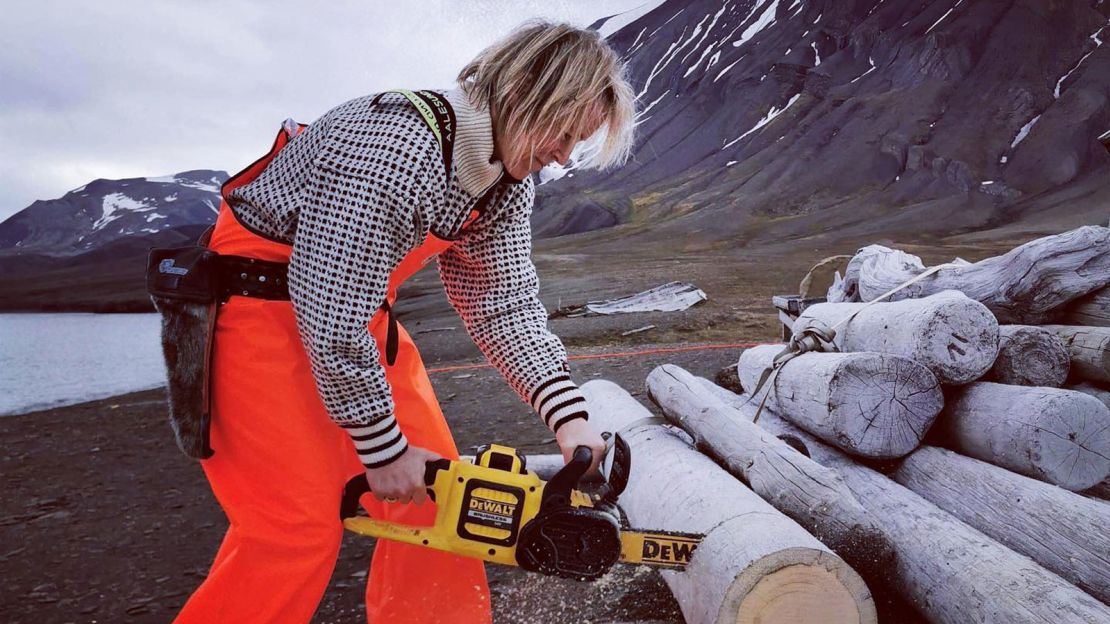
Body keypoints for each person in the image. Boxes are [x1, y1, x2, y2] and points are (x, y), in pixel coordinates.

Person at [174, 19, 636, 624]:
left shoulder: (503, 176)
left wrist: (570, 421)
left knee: (445, 507)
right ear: (527, 90)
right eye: (564, 134)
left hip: (356, 322)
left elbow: (502, 305)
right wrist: (382, 447)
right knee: (291, 531)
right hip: (254, 319)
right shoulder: (395, 144)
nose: (563, 156)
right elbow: (328, 303)